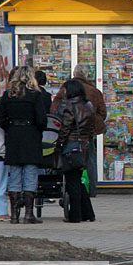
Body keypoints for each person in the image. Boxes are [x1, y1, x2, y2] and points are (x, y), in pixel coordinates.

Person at [0, 66, 47, 224]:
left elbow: (0, 118)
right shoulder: (35, 96)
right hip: (31, 135)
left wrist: (10, 127)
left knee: (15, 174)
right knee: (30, 173)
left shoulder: (7, 96)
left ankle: (15, 215)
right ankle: (29, 214)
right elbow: (42, 120)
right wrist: (36, 129)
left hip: (14, 136)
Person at [52, 65, 107, 197]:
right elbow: (102, 113)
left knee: (69, 161)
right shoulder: (94, 91)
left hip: (69, 134)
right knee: (90, 160)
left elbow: (54, 107)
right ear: (86, 75)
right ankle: (92, 190)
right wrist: (92, 123)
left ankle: (72, 190)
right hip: (87, 132)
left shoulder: (65, 89)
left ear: (74, 73)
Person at [55, 79, 96, 223]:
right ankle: (88, 213)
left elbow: (65, 128)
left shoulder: (70, 106)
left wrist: (58, 145)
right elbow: (92, 127)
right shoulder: (88, 105)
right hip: (84, 146)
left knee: (72, 181)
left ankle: (75, 215)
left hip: (71, 146)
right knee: (78, 180)